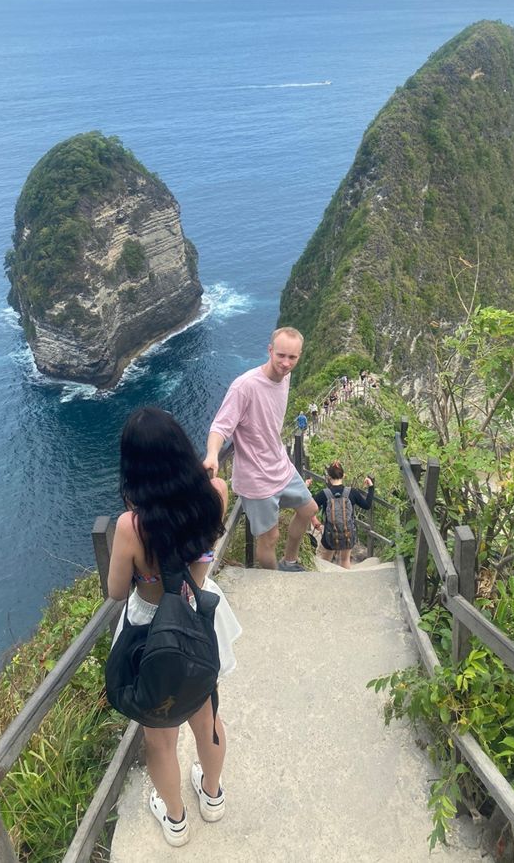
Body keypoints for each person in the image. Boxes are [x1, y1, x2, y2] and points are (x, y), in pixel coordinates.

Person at [108, 407, 241, 847]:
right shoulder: (215, 493)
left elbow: (114, 591)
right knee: (207, 718)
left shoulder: (132, 526)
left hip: (153, 632)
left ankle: (177, 820)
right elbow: (204, 524)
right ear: (183, 452)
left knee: (160, 738)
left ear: (135, 467)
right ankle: (213, 795)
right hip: (200, 617)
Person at [203, 327, 319, 572]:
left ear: (299, 356)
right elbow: (220, 426)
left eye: (292, 357)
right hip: (256, 477)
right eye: (281, 355)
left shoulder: (285, 377)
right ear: (270, 351)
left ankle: (290, 561)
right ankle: (273, 581)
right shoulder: (244, 387)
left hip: (280, 466)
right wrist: (213, 454)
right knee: (269, 538)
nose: (285, 363)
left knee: (309, 509)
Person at [314, 461, 374, 569]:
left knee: (325, 563)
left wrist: (314, 521)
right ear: (343, 475)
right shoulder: (352, 492)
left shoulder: (324, 493)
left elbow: (309, 508)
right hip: (348, 533)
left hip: (329, 534)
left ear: (328, 477)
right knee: (345, 560)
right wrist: (371, 487)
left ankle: (324, 583)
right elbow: (367, 505)